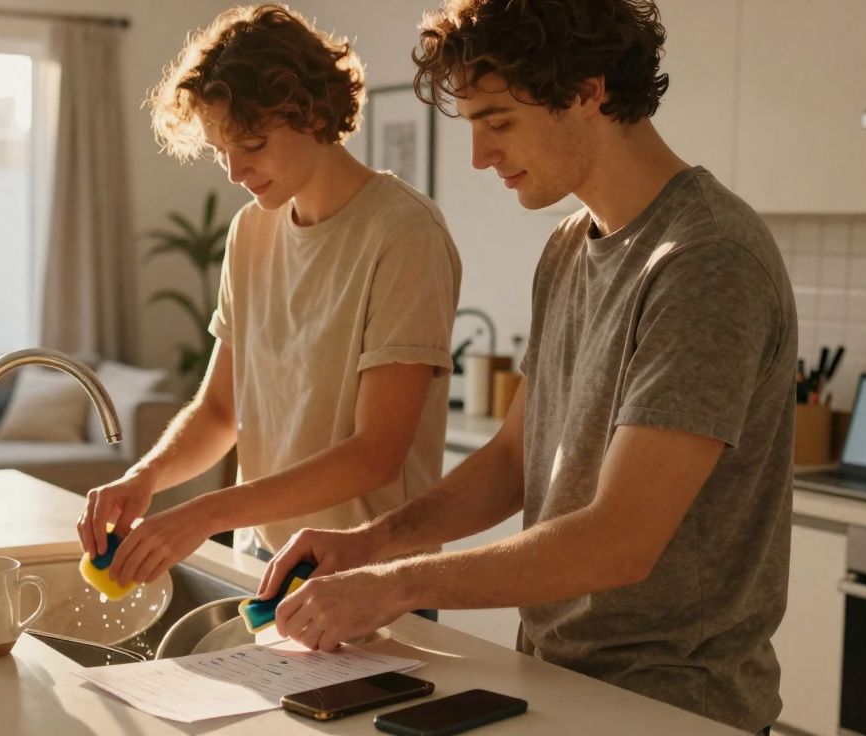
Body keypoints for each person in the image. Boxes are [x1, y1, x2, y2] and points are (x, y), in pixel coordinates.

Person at [257, 0, 796, 732]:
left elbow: (620, 541)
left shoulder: (705, 261)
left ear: (586, 91)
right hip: (554, 681)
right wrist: (369, 545)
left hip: (673, 709)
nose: (480, 156)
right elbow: (516, 458)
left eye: (497, 121)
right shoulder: (571, 246)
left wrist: (392, 585)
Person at [77, 4, 461, 590]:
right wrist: (146, 476)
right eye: (220, 149)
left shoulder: (403, 234)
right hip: (263, 563)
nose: (234, 171)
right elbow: (219, 411)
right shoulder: (251, 231)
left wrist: (204, 514)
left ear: (310, 111)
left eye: (251, 144)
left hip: (369, 576)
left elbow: (376, 453)